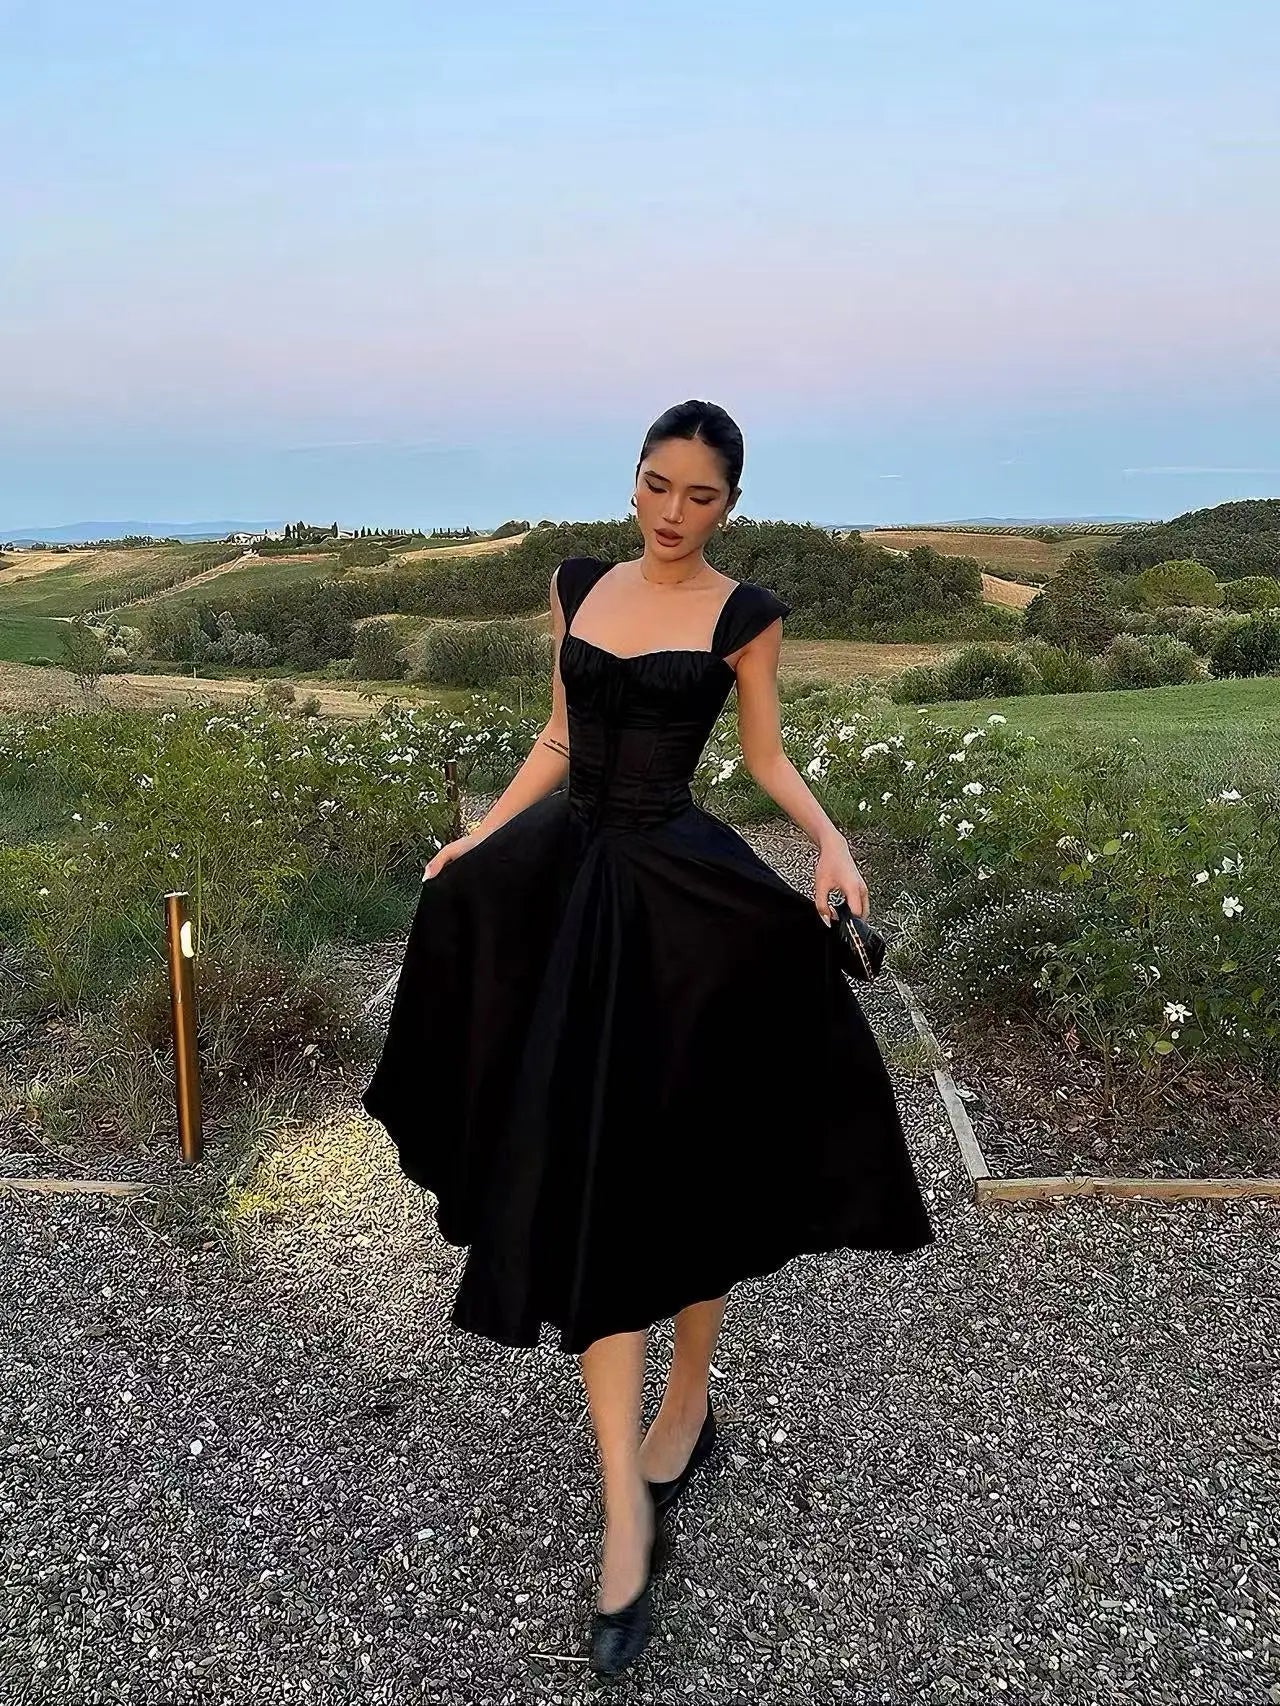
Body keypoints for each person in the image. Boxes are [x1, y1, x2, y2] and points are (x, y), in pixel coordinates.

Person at [360, 399, 935, 1678]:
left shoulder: (745, 614)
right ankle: (625, 1503)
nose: (673, 513)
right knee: (593, 1183)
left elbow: (766, 758)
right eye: (656, 484)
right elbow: (558, 737)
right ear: (631, 480)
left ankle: (688, 1402)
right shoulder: (575, 584)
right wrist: (479, 838)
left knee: (692, 1162)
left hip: (680, 908)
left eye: (700, 495)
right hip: (565, 897)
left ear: (730, 504)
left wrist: (831, 841)